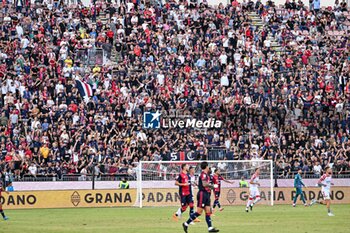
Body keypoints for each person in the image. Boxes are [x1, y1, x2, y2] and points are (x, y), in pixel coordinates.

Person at [182, 162, 219, 233]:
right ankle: (186, 224)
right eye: (208, 166)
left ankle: (210, 228)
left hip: (207, 194)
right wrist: (213, 186)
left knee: (208, 212)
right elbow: (204, 184)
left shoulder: (207, 175)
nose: (209, 168)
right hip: (202, 194)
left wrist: (210, 186)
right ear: (206, 167)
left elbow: (204, 184)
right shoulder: (203, 174)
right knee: (199, 212)